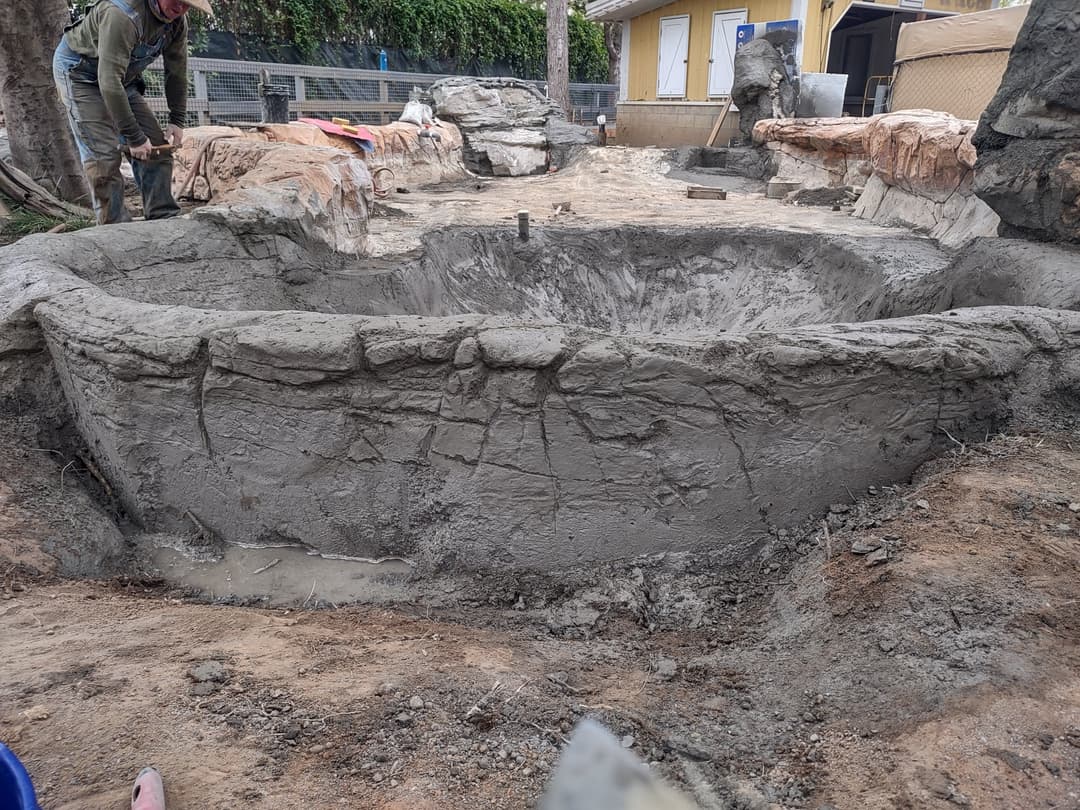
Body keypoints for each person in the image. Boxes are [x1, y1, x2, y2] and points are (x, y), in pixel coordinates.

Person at [52, 0, 212, 225]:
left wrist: (177, 119)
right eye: (176, 0)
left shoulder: (176, 24)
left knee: (157, 147)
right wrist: (134, 137)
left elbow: (176, 72)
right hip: (80, 74)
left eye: (187, 5)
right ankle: (114, 227)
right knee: (104, 156)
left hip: (121, 78)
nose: (180, 8)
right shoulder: (122, 14)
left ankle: (162, 216)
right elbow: (107, 81)